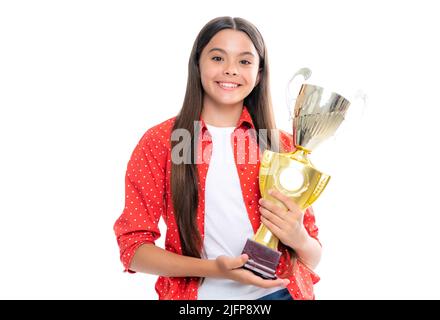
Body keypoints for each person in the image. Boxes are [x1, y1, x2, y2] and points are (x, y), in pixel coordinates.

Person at [113, 16, 322, 300]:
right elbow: (133, 249)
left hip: (280, 295)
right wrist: (215, 269)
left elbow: (313, 255)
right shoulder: (161, 142)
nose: (231, 70)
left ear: (259, 73)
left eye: (245, 61)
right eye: (217, 57)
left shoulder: (282, 145)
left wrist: (297, 236)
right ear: (197, 63)